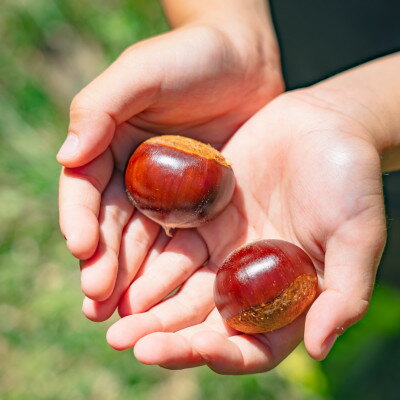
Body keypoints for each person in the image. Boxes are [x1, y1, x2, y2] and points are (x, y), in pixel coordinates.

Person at [57, 0, 400, 374]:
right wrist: (228, 27)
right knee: (349, 271)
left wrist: (361, 113)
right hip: (284, 60)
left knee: (364, 267)